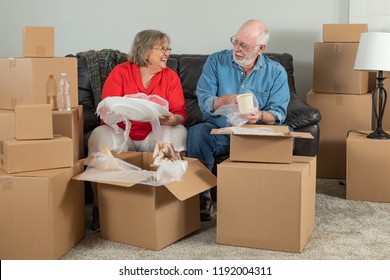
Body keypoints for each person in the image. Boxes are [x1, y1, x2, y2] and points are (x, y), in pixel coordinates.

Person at [187, 19, 290, 221]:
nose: (237, 49)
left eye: (244, 45)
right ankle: (201, 196)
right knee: (198, 132)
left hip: (254, 134)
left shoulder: (276, 72)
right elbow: (204, 100)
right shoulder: (216, 61)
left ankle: (267, 198)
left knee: (288, 136)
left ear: (261, 48)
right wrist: (225, 100)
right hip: (220, 132)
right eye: (235, 41)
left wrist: (259, 115)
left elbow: (278, 113)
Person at [88, 30, 187, 230]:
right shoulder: (121, 72)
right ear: (145, 50)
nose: (167, 53)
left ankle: (166, 199)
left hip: (154, 136)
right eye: (162, 48)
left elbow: (180, 113)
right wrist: (130, 110)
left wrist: (172, 118)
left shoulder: (171, 77)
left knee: (177, 131)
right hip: (123, 135)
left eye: (168, 49)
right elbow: (107, 108)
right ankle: (102, 208)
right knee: (99, 135)